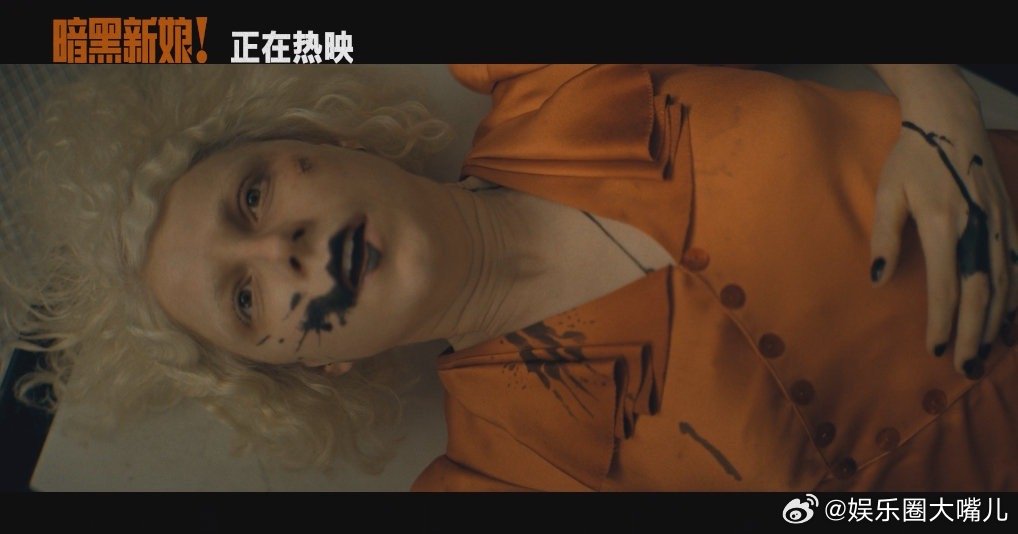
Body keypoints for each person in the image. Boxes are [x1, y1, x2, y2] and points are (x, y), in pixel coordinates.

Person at [2, 64, 1016, 490]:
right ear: (318, 367)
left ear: (328, 144)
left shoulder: (552, 75)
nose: (283, 252)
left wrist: (936, 105)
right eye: (245, 298)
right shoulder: (504, 478)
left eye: (254, 196)